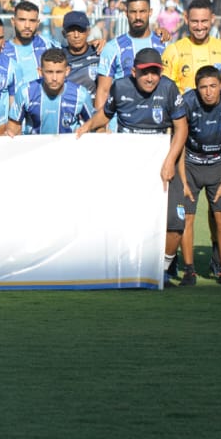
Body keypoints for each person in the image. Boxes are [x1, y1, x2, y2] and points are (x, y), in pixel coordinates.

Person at [79, 46, 189, 282]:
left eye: (155, 72)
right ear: (133, 72)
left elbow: (181, 127)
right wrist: (87, 127)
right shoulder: (120, 86)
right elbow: (105, 115)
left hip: (164, 162)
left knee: (175, 222)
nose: (150, 78)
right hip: (131, 164)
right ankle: (126, 266)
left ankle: (163, 268)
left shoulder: (169, 88)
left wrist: (170, 160)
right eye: (144, 72)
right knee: (126, 219)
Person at [179, 66, 221, 286]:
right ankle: (188, 271)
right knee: (186, 217)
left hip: (218, 164)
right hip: (191, 164)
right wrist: (183, 181)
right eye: (203, 87)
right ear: (196, 89)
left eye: (213, 86)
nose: (208, 92)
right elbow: (179, 141)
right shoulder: (186, 101)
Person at [93, 0, 166, 115]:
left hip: (155, 123)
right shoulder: (113, 47)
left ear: (150, 12)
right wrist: (101, 128)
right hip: (121, 123)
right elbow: (103, 91)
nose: (138, 17)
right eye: (133, 12)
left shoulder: (163, 44)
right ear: (126, 13)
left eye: (142, 11)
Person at [6, 48, 92, 135]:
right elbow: (14, 126)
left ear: (67, 71)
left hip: (68, 147)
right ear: (40, 72)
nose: (54, 78)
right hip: (35, 147)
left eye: (59, 72)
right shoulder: (26, 92)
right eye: (49, 72)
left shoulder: (80, 94)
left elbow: (93, 123)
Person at [162, 0, 221, 95]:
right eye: (194, 21)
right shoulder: (173, 51)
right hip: (184, 109)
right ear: (186, 19)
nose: (199, 27)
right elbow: (165, 91)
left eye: (204, 21)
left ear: (212, 19)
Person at [5, 0, 50, 88]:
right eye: (22, 20)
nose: (27, 25)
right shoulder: (2, 50)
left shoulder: (48, 45)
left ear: (38, 23)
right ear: (13, 21)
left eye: (32, 21)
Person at [60, 10, 101, 95]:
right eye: (71, 30)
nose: (76, 35)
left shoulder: (100, 52)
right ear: (64, 33)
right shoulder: (58, 57)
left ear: (88, 31)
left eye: (80, 30)